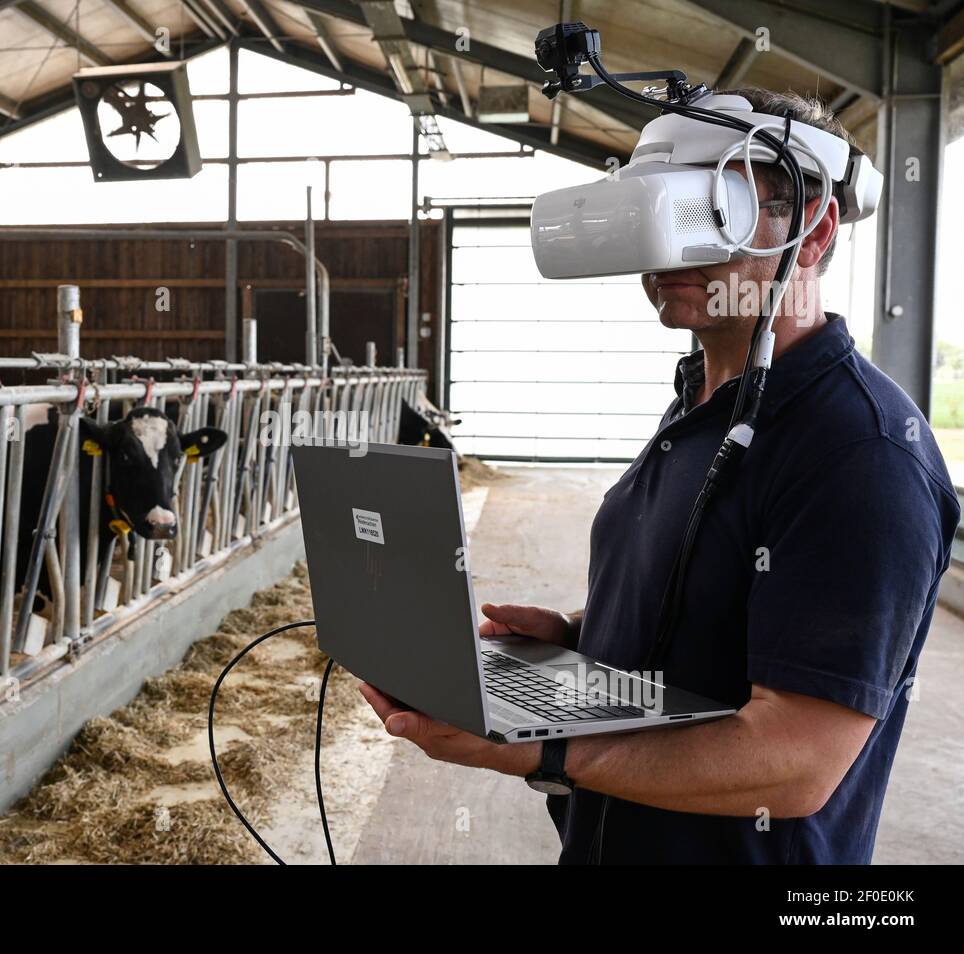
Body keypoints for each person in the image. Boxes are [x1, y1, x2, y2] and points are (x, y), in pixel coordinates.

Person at [361, 88, 961, 864]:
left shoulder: (860, 454)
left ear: (813, 231)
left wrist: (544, 750)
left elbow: (797, 762)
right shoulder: (705, 402)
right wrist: (584, 638)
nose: (672, 249)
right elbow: (728, 607)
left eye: (712, 213)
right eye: (657, 214)